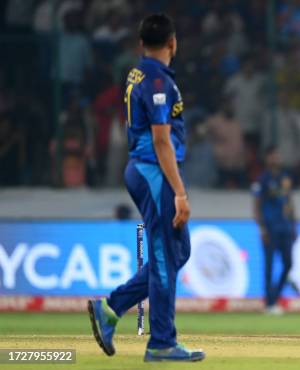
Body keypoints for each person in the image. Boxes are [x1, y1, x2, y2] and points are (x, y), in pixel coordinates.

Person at [87, 14, 204, 362]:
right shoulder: (157, 81)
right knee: (166, 258)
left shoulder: (140, 73)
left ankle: (111, 308)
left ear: (141, 44)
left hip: (146, 170)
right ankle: (162, 343)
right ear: (173, 43)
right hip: (154, 172)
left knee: (177, 252)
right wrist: (180, 192)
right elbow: (161, 140)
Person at [252, 147, 297, 314]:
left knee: (288, 264)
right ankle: (269, 303)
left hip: (285, 227)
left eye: (277, 156)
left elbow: (289, 201)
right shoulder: (262, 179)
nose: (276, 159)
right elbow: (256, 205)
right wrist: (262, 228)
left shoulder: (285, 178)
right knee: (269, 266)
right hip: (270, 228)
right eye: (273, 156)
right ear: (267, 159)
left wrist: (294, 225)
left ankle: (275, 297)